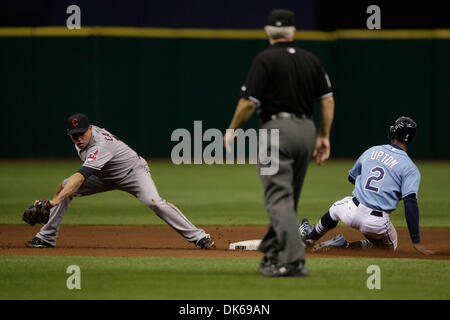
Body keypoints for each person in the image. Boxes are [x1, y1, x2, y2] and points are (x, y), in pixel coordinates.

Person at [224, 9, 335, 276]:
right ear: (294, 33)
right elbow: (327, 100)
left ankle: (294, 261)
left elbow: (249, 102)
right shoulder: (311, 59)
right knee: (288, 199)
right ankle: (274, 253)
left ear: (267, 33)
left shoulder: (264, 59)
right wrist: (323, 136)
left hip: (276, 131)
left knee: (278, 199)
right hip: (306, 131)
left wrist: (232, 129)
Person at [25, 113, 215, 249]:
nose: (79, 138)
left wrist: (51, 203)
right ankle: (46, 237)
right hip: (103, 176)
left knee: (154, 202)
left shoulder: (100, 145)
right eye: (74, 135)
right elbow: (76, 180)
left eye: (82, 133)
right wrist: (56, 198)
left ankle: (199, 237)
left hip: (133, 173)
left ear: (90, 128)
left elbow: (81, 176)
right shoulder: (83, 139)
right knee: (66, 186)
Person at [299, 116, 434, 255]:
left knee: (336, 209)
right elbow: (410, 203)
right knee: (389, 248)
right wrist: (416, 241)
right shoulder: (410, 168)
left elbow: (352, 177)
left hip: (351, 211)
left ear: (394, 132)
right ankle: (343, 246)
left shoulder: (372, 150)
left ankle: (308, 239)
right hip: (376, 223)